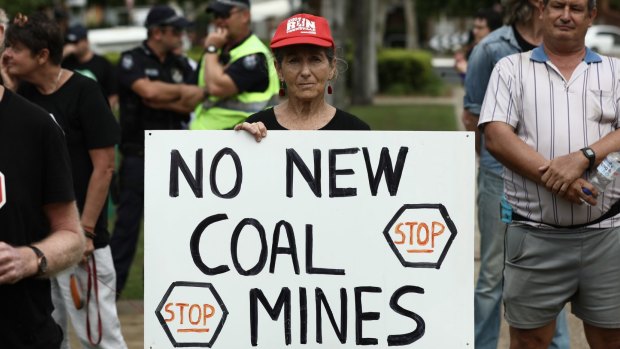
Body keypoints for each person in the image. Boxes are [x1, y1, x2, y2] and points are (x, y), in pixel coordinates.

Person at [479, 0, 620, 347]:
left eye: (576, 7)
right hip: (535, 235)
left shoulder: (616, 71)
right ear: (541, 11)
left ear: (592, 16)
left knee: (610, 340)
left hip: (608, 235)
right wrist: (556, 179)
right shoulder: (510, 68)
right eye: (558, 5)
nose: (566, 15)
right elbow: (496, 136)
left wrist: (584, 157)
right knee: (529, 341)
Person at [1, 13, 127, 349]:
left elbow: (104, 167)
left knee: (98, 334)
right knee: (52, 331)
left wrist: (85, 231)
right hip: (40, 243)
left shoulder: (84, 92)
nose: (8, 54)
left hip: (83, 241)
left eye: (16, 47)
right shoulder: (23, 95)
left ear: (42, 56)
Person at [462, 1, 571, 348]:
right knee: (493, 273)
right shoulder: (491, 49)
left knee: (554, 271)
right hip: (499, 178)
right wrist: (500, 159)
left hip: (556, 177)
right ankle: (484, 343)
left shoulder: (566, 46)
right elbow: (472, 117)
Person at [111, 4, 204, 296]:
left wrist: (161, 95)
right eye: (175, 30)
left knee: (177, 229)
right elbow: (147, 93)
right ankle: (109, 296)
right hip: (139, 156)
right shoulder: (131, 60)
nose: (181, 36)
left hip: (175, 159)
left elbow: (194, 99)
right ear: (157, 32)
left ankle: (177, 292)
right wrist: (166, 94)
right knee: (126, 230)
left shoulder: (180, 64)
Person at [236, 13, 369, 139]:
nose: (305, 72)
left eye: (315, 59)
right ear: (279, 69)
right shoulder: (259, 128)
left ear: (332, 67)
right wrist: (243, 141)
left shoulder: (357, 132)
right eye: (294, 60)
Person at [190, 0, 279, 130]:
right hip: (203, 139)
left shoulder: (254, 55)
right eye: (215, 16)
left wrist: (211, 48)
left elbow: (216, 87)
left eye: (224, 14)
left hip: (238, 140)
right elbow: (188, 90)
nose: (218, 21)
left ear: (245, 16)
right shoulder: (217, 49)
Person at [63, 24, 119, 110]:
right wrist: (63, 54)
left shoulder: (102, 63)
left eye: (76, 42)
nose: (72, 46)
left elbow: (113, 94)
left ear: (86, 41)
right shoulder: (65, 62)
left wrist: (104, 112)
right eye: (69, 42)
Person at [454, 7, 503, 77]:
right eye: (474, 27)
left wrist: (466, 71)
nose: (475, 31)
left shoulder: (499, 54)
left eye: (480, 28)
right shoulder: (476, 49)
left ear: (493, 30)